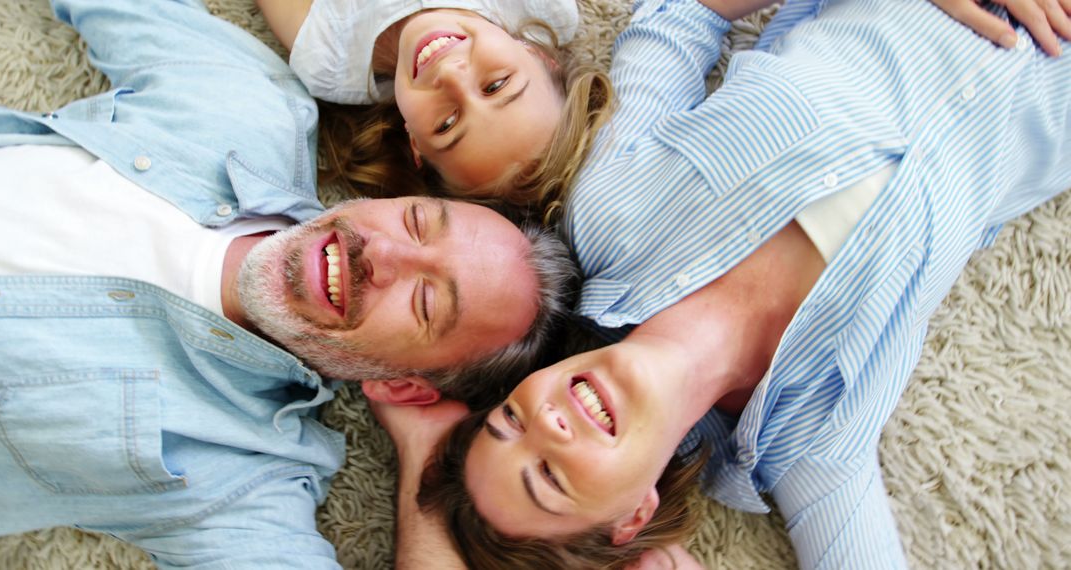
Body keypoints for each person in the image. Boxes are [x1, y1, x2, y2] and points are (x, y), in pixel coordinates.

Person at [374, 0, 1071, 567]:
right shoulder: (811, 449)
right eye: (550, 478)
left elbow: (681, 16)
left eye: (510, 420)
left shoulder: (613, 212)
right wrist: (414, 463)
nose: (546, 424)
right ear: (632, 516)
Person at [0, 0, 576, 567]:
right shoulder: (251, 109)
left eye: (425, 301)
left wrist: (425, 468)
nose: (383, 254)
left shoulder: (234, 477)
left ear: (404, 386)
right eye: (416, 221)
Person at [255, 0, 613, 213]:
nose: (450, 77)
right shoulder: (547, 7)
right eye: (496, 85)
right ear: (537, 55)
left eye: (446, 123)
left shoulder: (328, 61)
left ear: (414, 143)